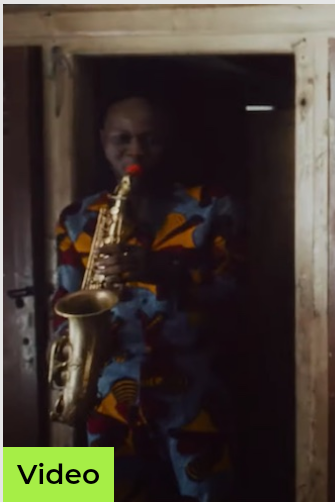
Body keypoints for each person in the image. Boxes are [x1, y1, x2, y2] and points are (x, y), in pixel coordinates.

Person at [51, 96, 244, 502]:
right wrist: (72, 371)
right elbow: (65, 302)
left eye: (149, 139)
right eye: (122, 139)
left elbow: (235, 297)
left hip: (192, 394)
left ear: (167, 142)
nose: (135, 151)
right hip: (109, 395)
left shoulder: (212, 206)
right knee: (102, 496)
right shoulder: (77, 218)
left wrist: (163, 271)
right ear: (103, 140)